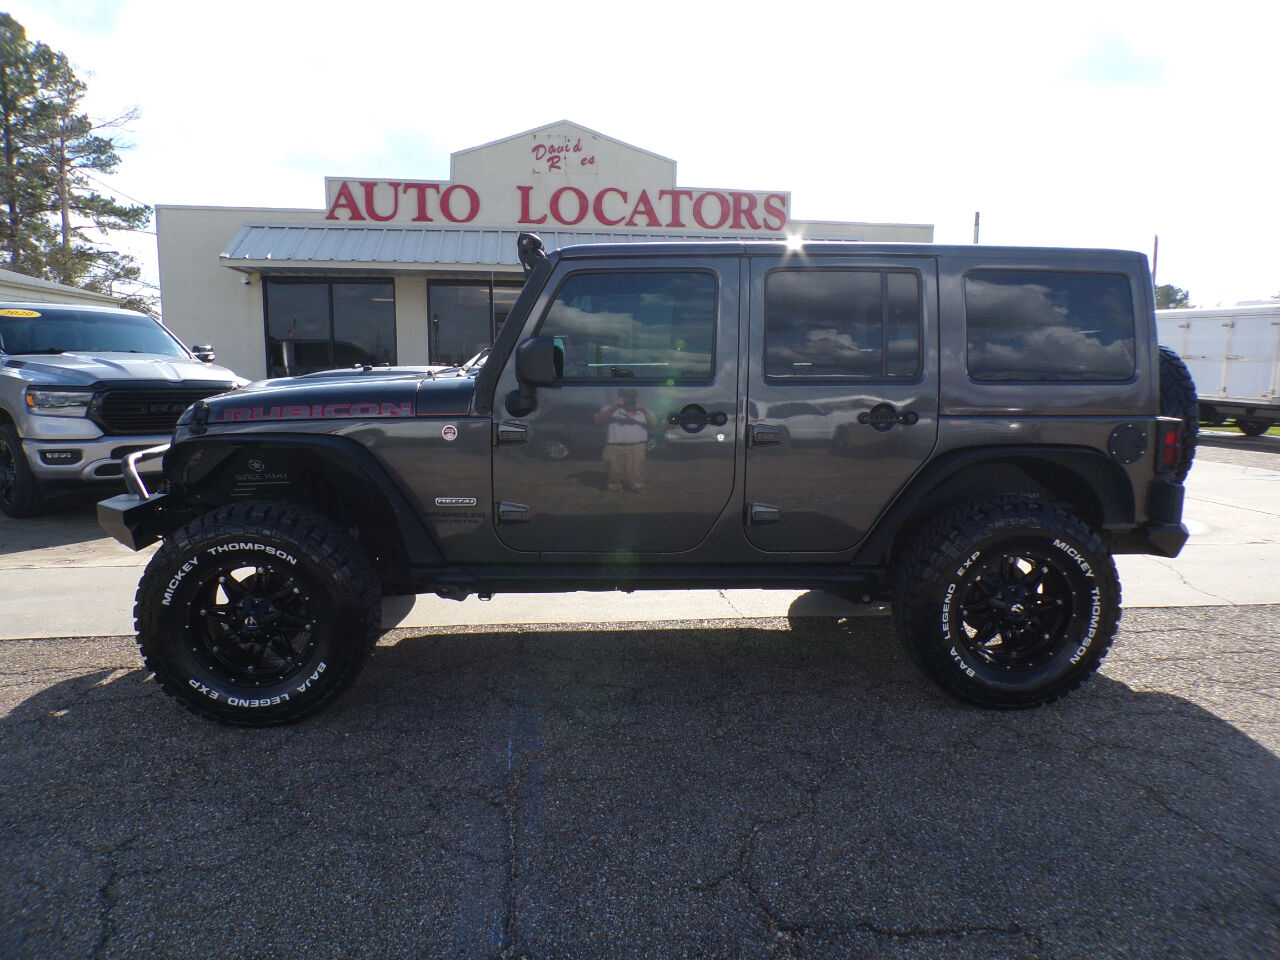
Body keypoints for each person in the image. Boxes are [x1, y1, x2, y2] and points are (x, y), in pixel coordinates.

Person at [594, 388, 655, 492]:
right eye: (626, 397)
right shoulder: (608, 409)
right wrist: (614, 407)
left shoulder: (645, 412)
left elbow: (652, 424)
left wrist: (643, 410)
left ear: (637, 398)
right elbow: (598, 421)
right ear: (620, 398)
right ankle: (614, 487)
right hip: (614, 445)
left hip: (637, 446)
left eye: (632, 398)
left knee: (636, 469)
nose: (629, 400)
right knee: (613, 469)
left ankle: (636, 486)